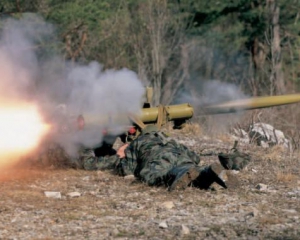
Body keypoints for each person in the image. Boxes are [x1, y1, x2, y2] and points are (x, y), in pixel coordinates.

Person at [74, 125, 251, 191]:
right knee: (192, 169)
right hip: (181, 156)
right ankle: (206, 174)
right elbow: (195, 157)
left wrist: (120, 156)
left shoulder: (136, 145)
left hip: (158, 161)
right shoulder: (170, 140)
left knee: (156, 176)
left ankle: (182, 173)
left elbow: (126, 169)